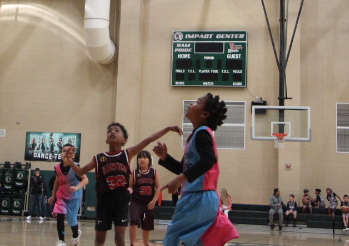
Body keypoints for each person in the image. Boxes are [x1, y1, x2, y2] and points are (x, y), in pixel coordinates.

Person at [67, 122, 182, 246]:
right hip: (104, 200)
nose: (112, 132)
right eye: (110, 131)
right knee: (99, 239)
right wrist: (70, 160)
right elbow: (81, 171)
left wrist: (167, 128)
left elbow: (149, 139)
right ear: (106, 140)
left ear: (124, 140)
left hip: (121, 200)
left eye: (117, 130)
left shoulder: (127, 154)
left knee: (120, 238)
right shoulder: (99, 158)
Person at [154, 93, 239, 246]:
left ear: (205, 114)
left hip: (200, 196)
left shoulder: (203, 133)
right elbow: (184, 168)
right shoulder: (194, 136)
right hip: (199, 197)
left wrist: (179, 179)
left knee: (174, 236)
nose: (191, 104)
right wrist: (165, 158)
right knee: (195, 241)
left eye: (197, 102)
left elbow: (208, 161)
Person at [50, 145, 89, 246]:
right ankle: (61, 241)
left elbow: (86, 179)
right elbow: (57, 181)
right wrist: (53, 195)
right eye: (63, 151)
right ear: (60, 154)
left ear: (73, 155)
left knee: (72, 221)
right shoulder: (57, 168)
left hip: (74, 197)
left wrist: (77, 187)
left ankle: (76, 235)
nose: (65, 153)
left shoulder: (76, 167)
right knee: (60, 215)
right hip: (61, 196)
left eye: (68, 152)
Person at [129, 151, 160, 246]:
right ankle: (132, 244)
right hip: (137, 202)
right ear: (137, 160)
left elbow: (158, 188)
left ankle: (146, 244)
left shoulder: (154, 172)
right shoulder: (134, 173)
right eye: (140, 158)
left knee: (147, 226)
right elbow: (130, 186)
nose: (142, 160)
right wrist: (129, 189)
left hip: (149, 202)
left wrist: (153, 201)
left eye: (145, 158)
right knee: (134, 221)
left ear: (149, 160)